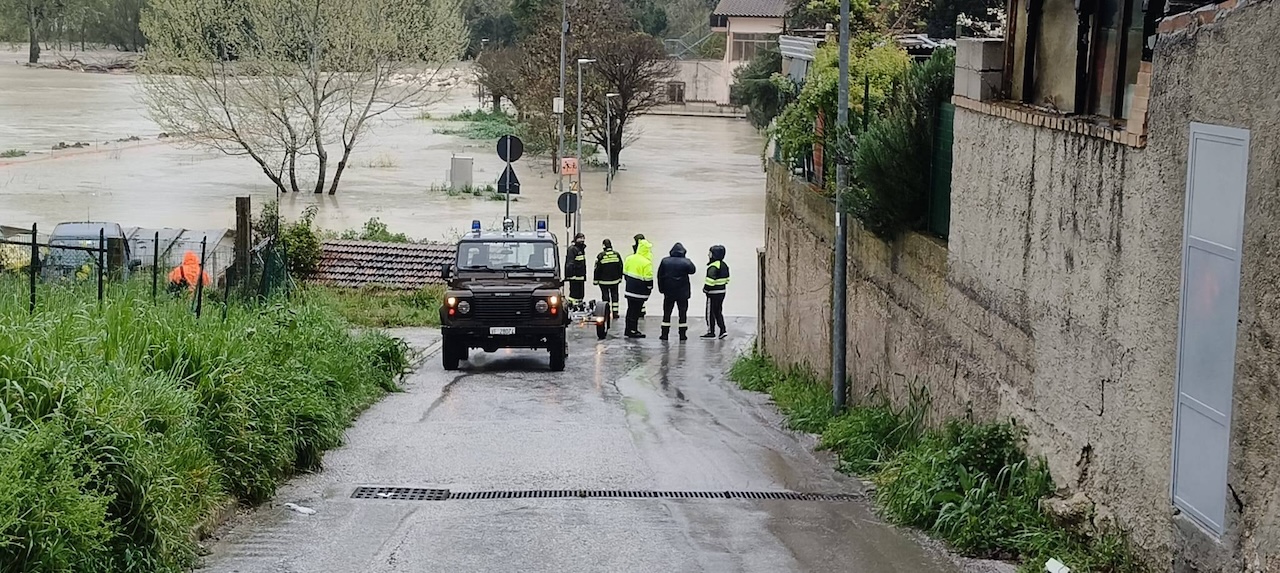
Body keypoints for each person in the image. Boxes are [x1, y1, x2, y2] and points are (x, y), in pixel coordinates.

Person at [656, 242, 697, 341]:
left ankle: (664, 334)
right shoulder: (686, 262)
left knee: (667, 313)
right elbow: (693, 270)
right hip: (682, 293)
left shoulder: (665, 261)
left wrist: (661, 289)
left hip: (668, 292)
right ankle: (682, 335)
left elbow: (659, 276)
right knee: (682, 313)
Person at [622, 236, 654, 338]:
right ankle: (633, 330)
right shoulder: (646, 262)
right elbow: (649, 279)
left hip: (629, 290)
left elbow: (625, 274)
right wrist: (649, 289)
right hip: (639, 292)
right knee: (636, 312)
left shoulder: (629, 258)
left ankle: (628, 329)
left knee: (630, 310)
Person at [701, 245, 730, 339]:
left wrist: (705, 289)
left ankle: (711, 331)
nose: (708, 255)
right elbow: (727, 279)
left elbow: (709, 281)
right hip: (722, 292)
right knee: (718, 312)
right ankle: (723, 330)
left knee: (710, 313)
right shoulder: (724, 265)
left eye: (710, 253)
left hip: (712, 293)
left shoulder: (713, 266)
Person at [593, 238, 623, 319]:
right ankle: (615, 313)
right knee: (615, 296)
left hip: (604, 282)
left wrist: (595, 280)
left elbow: (597, 269)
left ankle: (607, 313)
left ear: (603, 246)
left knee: (605, 297)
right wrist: (620, 277)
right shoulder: (617, 254)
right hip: (615, 281)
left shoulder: (601, 256)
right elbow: (620, 266)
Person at [565, 232, 588, 309]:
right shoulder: (572, 249)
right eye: (580, 238)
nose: (582, 240)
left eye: (583, 238)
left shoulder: (581, 249)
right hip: (574, 277)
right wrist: (569, 275)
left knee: (580, 294)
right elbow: (569, 263)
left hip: (580, 276)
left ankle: (579, 305)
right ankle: (572, 306)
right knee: (574, 294)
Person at [631, 233, 651, 318]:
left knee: (638, 296)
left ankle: (640, 311)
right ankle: (641, 311)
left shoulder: (638, 249)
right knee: (640, 295)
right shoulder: (646, 249)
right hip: (641, 273)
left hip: (637, 273)